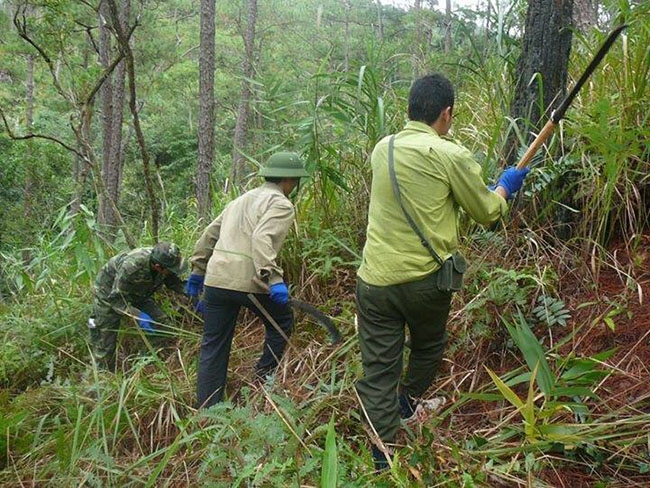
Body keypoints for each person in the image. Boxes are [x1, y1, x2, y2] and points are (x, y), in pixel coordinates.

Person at [355, 73, 530, 471]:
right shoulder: (451, 155)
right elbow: (486, 212)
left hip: (374, 281)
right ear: (446, 113)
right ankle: (405, 401)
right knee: (428, 347)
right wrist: (505, 187)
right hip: (424, 283)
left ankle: (381, 458)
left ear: (410, 110)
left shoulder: (383, 149)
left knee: (379, 368)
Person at [187, 151, 310, 408]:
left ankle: (208, 411)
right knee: (282, 323)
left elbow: (209, 235)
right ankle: (261, 382)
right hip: (249, 281)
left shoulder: (240, 200)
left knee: (213, 345)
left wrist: (197, 272)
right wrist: (274, 277)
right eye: (296, 181)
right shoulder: (281, 204)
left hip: (216, 281)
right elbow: (261, 239)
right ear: (289, 181)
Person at [89, 241, 187, 371]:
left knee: (163, 327)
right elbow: (116, 300)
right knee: (104, 341)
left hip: (140, 293)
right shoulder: (131, 267)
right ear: (158, 267)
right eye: (170, 270)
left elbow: (173, 282)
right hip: (109, 294)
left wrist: (193, 292)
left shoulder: (165, 262)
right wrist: (138, 315)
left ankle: (141, 364)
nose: (172, 271)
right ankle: (101, 376)